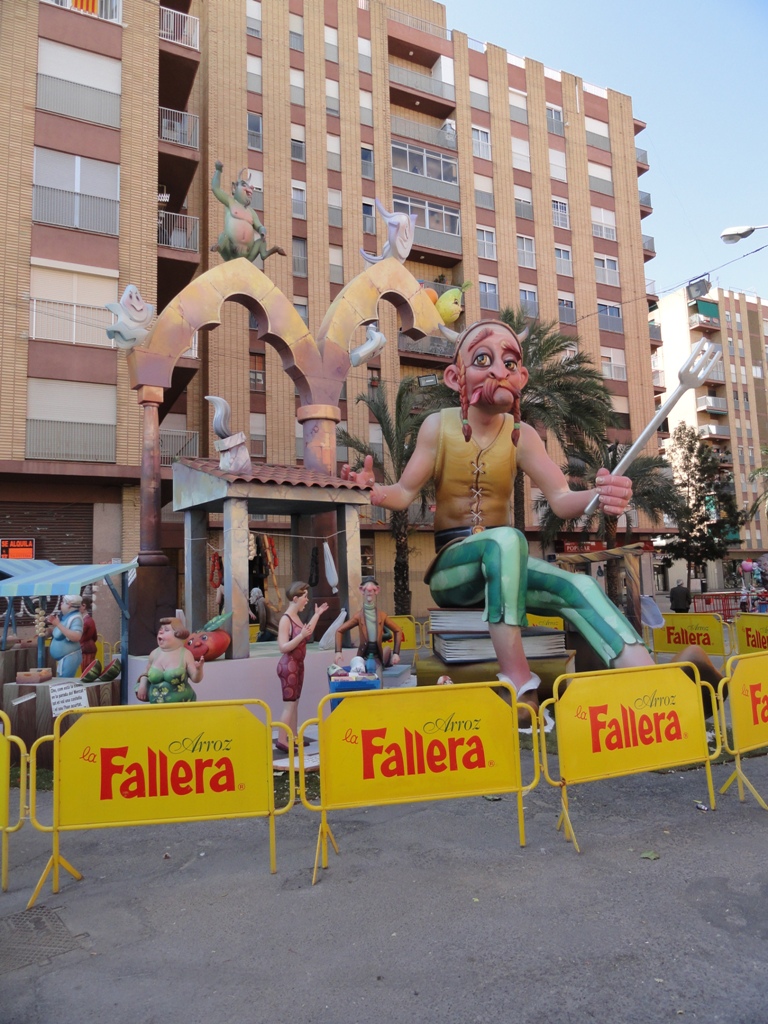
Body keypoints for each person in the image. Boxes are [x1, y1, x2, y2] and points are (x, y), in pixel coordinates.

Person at [342, 319, 702, 722]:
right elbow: (404, 492)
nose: (500, 370)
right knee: (506, 540)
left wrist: (599, 496)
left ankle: (655, 684)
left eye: (510, 363)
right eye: (483, 360)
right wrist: (372, 491)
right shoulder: (438, 427)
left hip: (506, 565)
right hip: (453, 573)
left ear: (522, 377)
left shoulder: (523, 435)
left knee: (579, 585)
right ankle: (519, 684)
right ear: (454, 376)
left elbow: (561, 499)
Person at [275, 582, 328, 753]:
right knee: (289, 705)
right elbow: (283, 647)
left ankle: (293, 736)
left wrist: (317, 615)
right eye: (305, 597)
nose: (307, 600)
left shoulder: (296, 617)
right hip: (288, 665)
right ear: (295, 598)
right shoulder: (286, 619)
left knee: (294, 703)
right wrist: (301, 637)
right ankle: (282, 739)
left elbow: (307, 631)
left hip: (298, 664)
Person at [334, 577, 403, 670]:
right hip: (363, 656)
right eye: (367, 590)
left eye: (372, 590)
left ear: (376, 591)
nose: (369, 592)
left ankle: (385, 663)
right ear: (362, 591)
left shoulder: (382, 616)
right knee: (360, 669)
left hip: (377, 657)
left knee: (375, 670)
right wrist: (338, 651)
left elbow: (398, 630)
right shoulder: (358, 616)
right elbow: (339, 631)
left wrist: (396, 653)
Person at [136, 617, 204, 704]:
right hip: (156, 706)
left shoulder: (186, 654)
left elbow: (195, 679)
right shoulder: (154, 653)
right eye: (160, 629)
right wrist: (142, 685)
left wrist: (199, 670)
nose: (161, 632)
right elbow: (146, 672)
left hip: (182, 706)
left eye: (166, 630)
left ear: (178, 634)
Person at [46, 595, 84, 678]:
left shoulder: (75, 618)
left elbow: (76, 636)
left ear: (69, 604)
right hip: (64, 658)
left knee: (65, 682)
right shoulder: (66, 618)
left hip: (69, 657)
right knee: (62, 680)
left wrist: (58, 624)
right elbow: (61, 633)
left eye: (63, 602)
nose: (61, 604)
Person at [79, 596, 98, 671]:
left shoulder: (86, 621)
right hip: (88, 648)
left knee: (86, 671)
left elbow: (79, 635)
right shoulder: (89, 620)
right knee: (88, 670)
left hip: (86, 649)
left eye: (78, 606)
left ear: (84, 606)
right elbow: (95, 637)